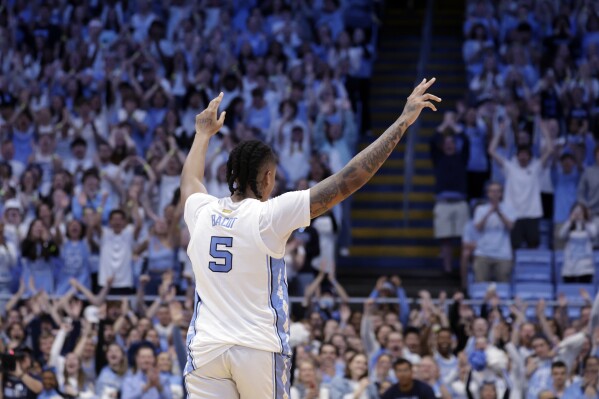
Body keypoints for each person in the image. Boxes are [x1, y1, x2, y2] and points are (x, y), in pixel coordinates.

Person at [180, 81, 441, 398]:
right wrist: (403, 121)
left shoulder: (201, 210)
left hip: (205, 349)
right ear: (268, 178)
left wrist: (202, 135)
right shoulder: (270, 216)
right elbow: (349, 178)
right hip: (257, 349)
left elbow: (191, 180)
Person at [472, 182, 515, 282]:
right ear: (488, 193)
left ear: (501, 194)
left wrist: (499, 212)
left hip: (503, 254)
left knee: (503, 288)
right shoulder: (480, 209)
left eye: (497, 191)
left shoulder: (508, 209)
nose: (495, 193)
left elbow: (510, 226)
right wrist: (489, 212)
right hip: (483, 253)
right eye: (492, 191)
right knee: (480, 286)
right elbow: (478, 227)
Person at [559, 202, 597, 283]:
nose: (578, 214)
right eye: (576, 212)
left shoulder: (589, 225)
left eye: (580, 212)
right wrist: (570, 221)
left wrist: (584, 221)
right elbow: (561, 235)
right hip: (569, 267)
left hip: (585, 268)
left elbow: (594, 234)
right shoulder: (569, 225)